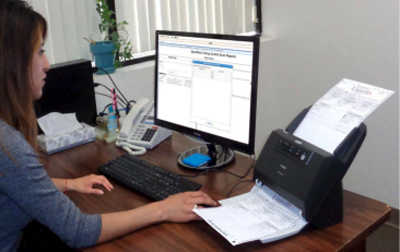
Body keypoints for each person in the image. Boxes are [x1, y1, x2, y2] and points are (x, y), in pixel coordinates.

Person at [0, 1, 217, 251]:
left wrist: (68, 184)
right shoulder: (9, 147)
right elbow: (79, 230)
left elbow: (20, 184)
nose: (47, 63)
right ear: (12, 62)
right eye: (39, 51)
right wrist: (163, 209)